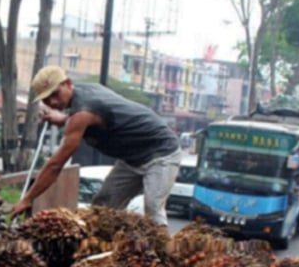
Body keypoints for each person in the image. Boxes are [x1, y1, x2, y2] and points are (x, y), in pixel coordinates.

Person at [10, 66, 181, 226]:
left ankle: (165, 256)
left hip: (161, 152)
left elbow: (56, 164)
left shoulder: (84, 111)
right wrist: (63, 120)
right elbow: (92, 116)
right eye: (46, 99)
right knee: (102, 208)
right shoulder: (84, 94)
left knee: (152, 208)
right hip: (132, 159)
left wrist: (28, 199)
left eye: (55, 94)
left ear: (68, 83)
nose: (52, 102)